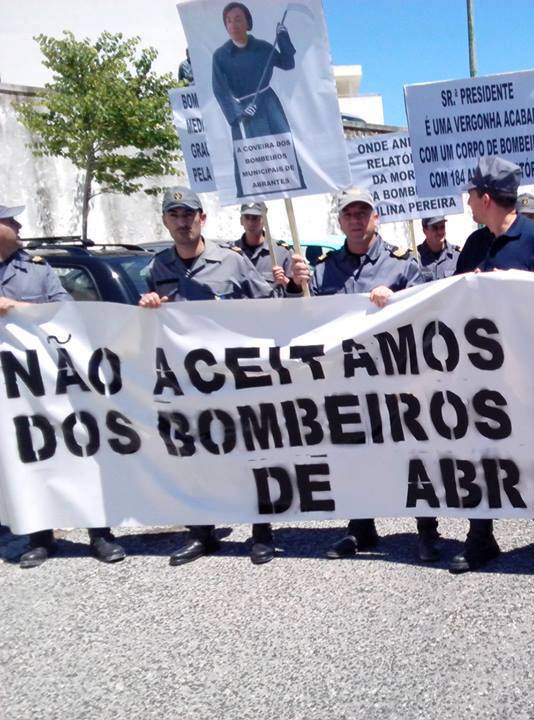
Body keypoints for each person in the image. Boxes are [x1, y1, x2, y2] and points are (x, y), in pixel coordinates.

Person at [289, 188, 436, 560]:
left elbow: (428, 314)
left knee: (411, 453)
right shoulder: (321, 270)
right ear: (340, 221)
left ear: (376, 218)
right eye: (349, 214)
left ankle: (426, 529)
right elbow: (302, 321)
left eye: (362, 213)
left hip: (396, 380)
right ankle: (360, 528)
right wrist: (294, 286)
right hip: (345, 382)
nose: (356, 220)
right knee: (351, 454)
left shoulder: (402, 264)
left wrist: (397, 301)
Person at [140, 186, 284, 565]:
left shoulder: (232, 261)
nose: (182, 221)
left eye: (189, 214)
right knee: (194, 459)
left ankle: (261, 532)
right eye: (174, 215)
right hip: (186, 385)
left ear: (202, 218)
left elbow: (269, 305)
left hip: (235, 380)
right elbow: (145, 329)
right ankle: (202, 534)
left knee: (249, 456)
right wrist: (147, 307)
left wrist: (289, 284)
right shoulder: (156, 268)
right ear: (165, 221)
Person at [451, 157, 534, 577]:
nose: (468, 201)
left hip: (533, 375)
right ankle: (481, 536)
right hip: (483, 376)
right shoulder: (474, 244)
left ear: (486, 198)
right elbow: (451, 300)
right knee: (481, 454)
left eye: (471, 194)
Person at [0, 203, 126, 568]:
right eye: (10, 220)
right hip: (11, 391)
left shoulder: (37, 270)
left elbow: (65, 309)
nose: (19, 224)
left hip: (49, 381)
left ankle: (99, 534)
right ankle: (40, 538)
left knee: (80, 452)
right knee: (26, 458)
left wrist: (16, 307)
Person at [212, 2, 304, 196]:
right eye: (228, 21)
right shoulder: (220, 56)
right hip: (244, 112)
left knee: (283, 147)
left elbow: (288, 63)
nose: (233, 25)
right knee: (250, 157)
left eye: (238, 19)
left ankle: (292, 186)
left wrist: (283, 38)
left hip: (268, 104)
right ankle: (253, 197)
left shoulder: (263, 48)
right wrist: (239, 112)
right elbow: (220, 90)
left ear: (248, 22)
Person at [225, 201, 298, 292]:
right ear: (241, 220)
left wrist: (284, 280)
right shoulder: (229, 251)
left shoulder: (283, 252)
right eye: (247, 217)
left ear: (265, 221)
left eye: (255, 218)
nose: (250, 222)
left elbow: (299, 291)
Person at [416, 216, 459, 281]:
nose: (439, 232)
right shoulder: (415, 259)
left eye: (442, 227)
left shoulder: (458, 256)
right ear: (424, 231)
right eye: (434, 228)